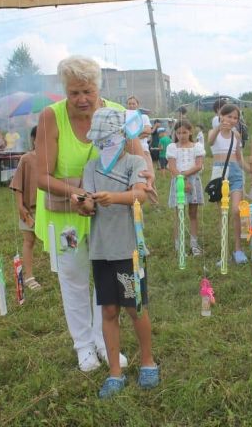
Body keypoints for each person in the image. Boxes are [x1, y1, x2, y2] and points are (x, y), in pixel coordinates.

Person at [35, 55, 149, 373]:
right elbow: (42, 176)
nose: (82, 99)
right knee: (73, 279)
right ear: (65, 91)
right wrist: (79, 191)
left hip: (107, 217)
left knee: (106, 279)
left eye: (88, 91)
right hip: (66, 217)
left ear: (98, 88)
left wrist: (144, 178)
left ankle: (104, 341)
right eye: (74, 93)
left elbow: (140, 159)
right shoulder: (50, 117)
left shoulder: (116, 114)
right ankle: (83, 345)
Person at [74, 107, 158, 399]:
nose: (104, 144)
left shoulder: (134, 162)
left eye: (108, 138)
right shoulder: (91, 168)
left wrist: (115, 198)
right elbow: (88, 206)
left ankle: (147, 361)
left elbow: (140, 195)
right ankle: (114, 371)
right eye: (99, 140)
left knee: (136, 307)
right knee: (108, 310)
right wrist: (83, 204)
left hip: (128, 250)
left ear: (121, 136)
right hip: (101, 251)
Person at [208, 103, 248, 264]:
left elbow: (239, 156)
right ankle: (224, 251)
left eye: (235, 118)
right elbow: (210, 142)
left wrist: (248, 169)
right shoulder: (214, 132)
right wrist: (219, 128)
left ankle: (238, 250)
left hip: (236, 173)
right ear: (221, 116)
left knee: (236, 211)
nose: (232, 120)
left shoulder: (236, 135)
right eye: (229, 116)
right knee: (223, 214)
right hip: (219, 174)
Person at [9, 126, 41, 291]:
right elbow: (18, 185)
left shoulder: (54, 157)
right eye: (39, 138)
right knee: (29, 241)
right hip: (31, 208)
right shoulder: (27, 159)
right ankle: (28, 276)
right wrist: (20, 207)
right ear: (33, 139)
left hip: (49, 209)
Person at [166, 119, 205, 256]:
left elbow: (199, 165)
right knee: (179, 214)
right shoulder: (172, 147)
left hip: (193, 182)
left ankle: (194, 244)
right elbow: (172, 166)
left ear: (190, 132)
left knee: (193, 214)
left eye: (184, 132)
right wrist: (182, 179)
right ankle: (179, 245)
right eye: (178, 133)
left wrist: (187, 177)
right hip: (178, 182)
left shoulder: (197, 146)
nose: (181, 135)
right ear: (175, 133)